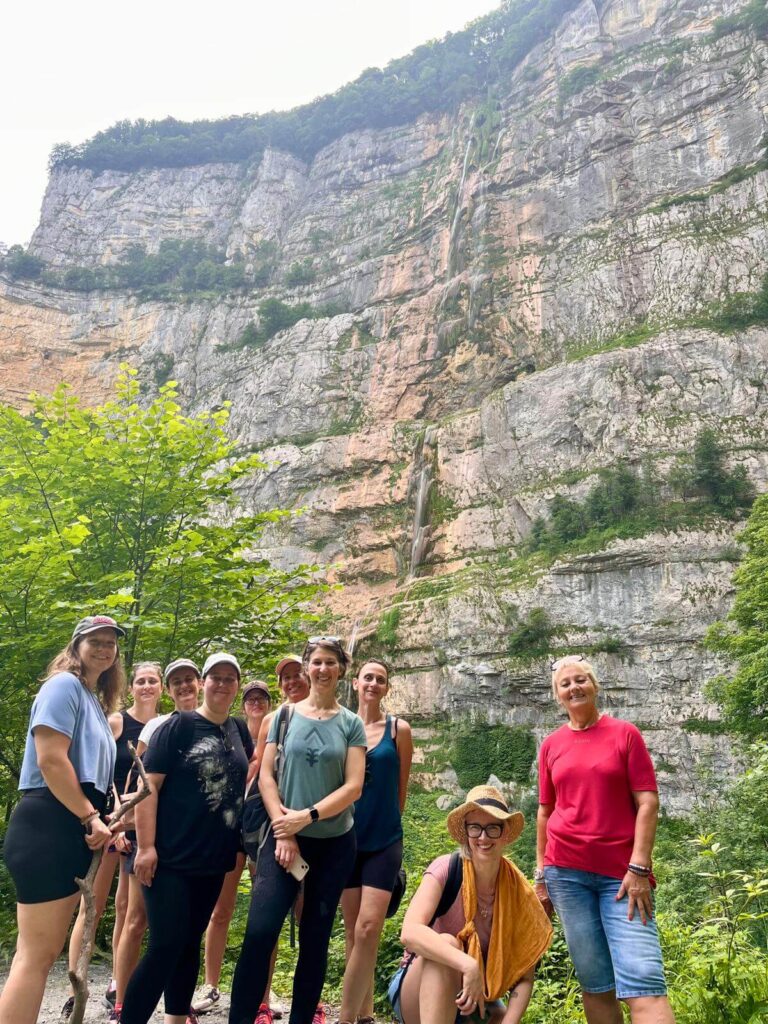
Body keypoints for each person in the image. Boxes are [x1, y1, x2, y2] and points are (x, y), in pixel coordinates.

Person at [229, 637, 367, 1024]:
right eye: (316, 663)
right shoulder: (283, 717)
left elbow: (353, 785)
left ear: (342, 670)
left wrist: (306, 817)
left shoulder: (351, 723)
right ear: (308, 667)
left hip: (334, 842)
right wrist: (285, 831)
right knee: (260, 931)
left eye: (330, 663)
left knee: (315, 939)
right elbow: (267, 776)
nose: (322, 669)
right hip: (284, 837)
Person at [535, 655, 676, 1024]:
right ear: (558, 696)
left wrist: (639, 867)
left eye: (580, 680)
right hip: (565, 874)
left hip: (623, 875)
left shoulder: (624, 734)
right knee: (595, 982)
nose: (574, 687)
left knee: (643, 979)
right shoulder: (551, 745)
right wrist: (541, 875)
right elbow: (545, 812)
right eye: (565, 684)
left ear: (595, 687)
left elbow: (648, 801)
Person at [0, 615, 125, 1024]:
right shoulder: (64, 686)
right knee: (34, 957)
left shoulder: (92, 698)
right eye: (95, 641)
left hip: (70, 826)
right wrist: (90, 816)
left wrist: (104, 816)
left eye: (111, 642)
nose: (104, 648)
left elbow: (91, 776)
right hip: (49, 824)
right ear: (76, 646)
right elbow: (51, 760)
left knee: (41, 954)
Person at [120, 653, 253, 1024]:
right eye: (216, 677)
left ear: (236, 685)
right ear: (203, 682)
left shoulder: (237, 730)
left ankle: (176, 1018)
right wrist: (145, 847)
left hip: (213, 858)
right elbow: (149, 789)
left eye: (230, 678)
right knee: (164, 945)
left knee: (190, 939)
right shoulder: (177, 727)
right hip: (169, 858)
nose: (222, 684)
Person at [391, 786, 551, 1024]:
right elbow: (410, 932)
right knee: (447, 944)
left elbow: (525, 976)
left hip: (476, 996)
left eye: (492, 828)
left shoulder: (518, 892)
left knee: (498, 1014)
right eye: (475, 828)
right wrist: (467, 964)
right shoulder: (446, 869)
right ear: (466, 832)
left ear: (504, 833)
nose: (483, 838)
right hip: (419, 989)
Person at [64, 661, 163, 1018]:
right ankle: (77, 982)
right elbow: (100, 767)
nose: (147, 686)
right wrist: (115, 816)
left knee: (127, 908)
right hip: (108, 822)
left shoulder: (162, 726)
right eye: (141, 681)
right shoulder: (117, 721)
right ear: (132, 686)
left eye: (153, 681)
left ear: (161, 687)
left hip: (139, 828)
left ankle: (118, 984)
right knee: (94, 905)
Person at [112, 658, 203, 1022]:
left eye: (189, 680)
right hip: (151, 839)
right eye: (175, 681)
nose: (184, 687)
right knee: (136, 919)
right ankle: (122, 1001)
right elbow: (140, 783)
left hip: (193, 845)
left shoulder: (217, 725)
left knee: (184, 932)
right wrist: (128, 826)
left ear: (200, 683)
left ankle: (176, 1009)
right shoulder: (158, 724)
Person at [339, 659, 413, 1024]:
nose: (373, 684)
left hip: (383, 840)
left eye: (380, 679)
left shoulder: (399, 730)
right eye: (367, 677)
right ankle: (366, 1013)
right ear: (355, 683)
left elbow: (401, 790)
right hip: (344, 839)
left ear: (386, 688)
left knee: (369, 927)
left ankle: (346, 1017)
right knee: (355, 932)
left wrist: (386, 819)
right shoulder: (340, 726)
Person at [192, 680, 271, 1015]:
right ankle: (210, 985)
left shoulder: (277, 729)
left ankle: (264, 995)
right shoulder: (234, 732)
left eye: (261, 698)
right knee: (220, 909)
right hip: (230, 828)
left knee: (265, 914)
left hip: (261, 829)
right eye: (250, 697)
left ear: (269, 703)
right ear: (243, 703)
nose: (255, 702)